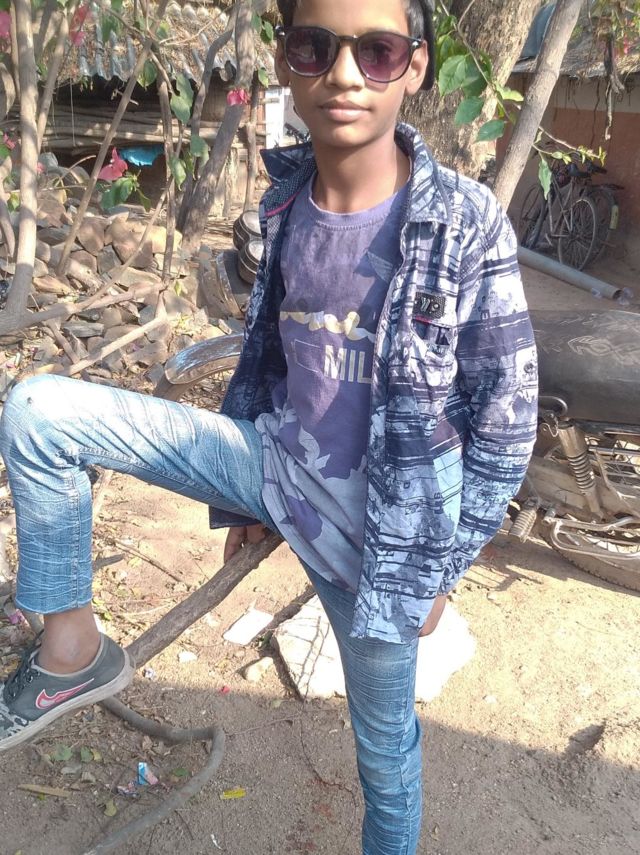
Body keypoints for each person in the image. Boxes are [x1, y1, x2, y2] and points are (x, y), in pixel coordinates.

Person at [0, 0, 538, 851]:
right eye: (316, 47)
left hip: (384, 551)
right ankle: (72, 645)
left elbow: (507, 421)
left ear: (416, 66)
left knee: (387, 761)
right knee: (38, 411)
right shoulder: (284, 205)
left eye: (378, 51)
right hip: (274, 468)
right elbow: (277, 362)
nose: (346, 74)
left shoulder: (466, 223)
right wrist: (250, 500)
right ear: (285, 60)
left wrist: (440, 569)